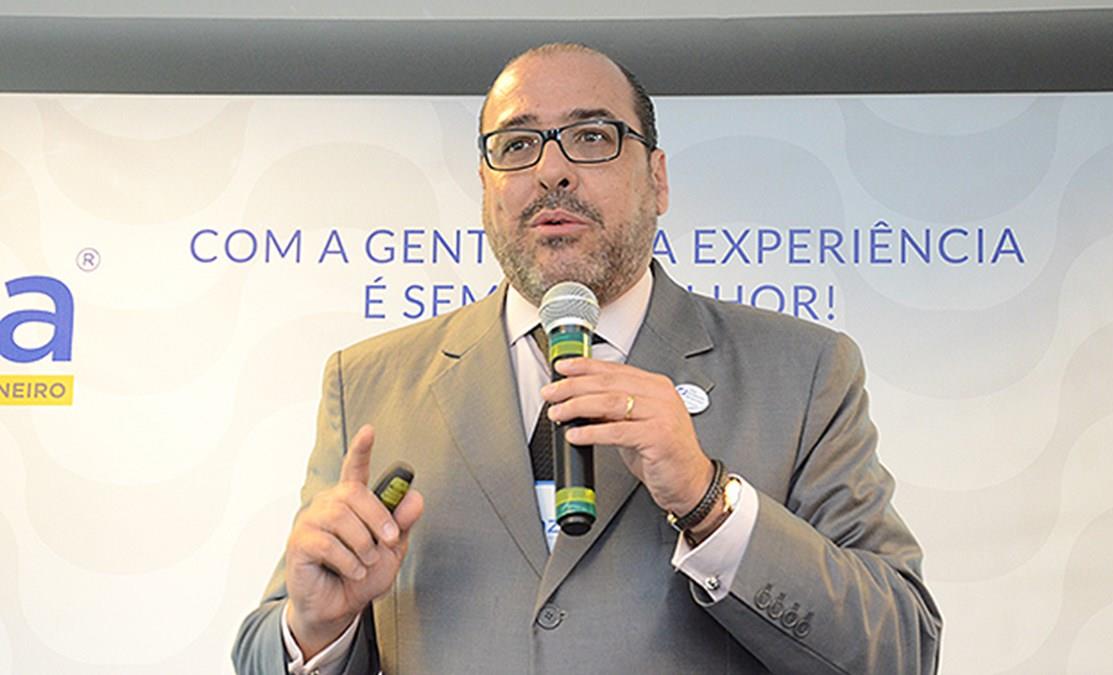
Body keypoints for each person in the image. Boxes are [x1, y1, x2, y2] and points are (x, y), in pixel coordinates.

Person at [233, 42, 941, 674]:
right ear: (486, 189)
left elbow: (901, 649)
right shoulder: (368, 383)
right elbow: (268, 649)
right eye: (516, 145)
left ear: (658, 179)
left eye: (592, 136)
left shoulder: (804, 371)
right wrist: (317, 629)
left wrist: (708, 500)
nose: (552, 170)